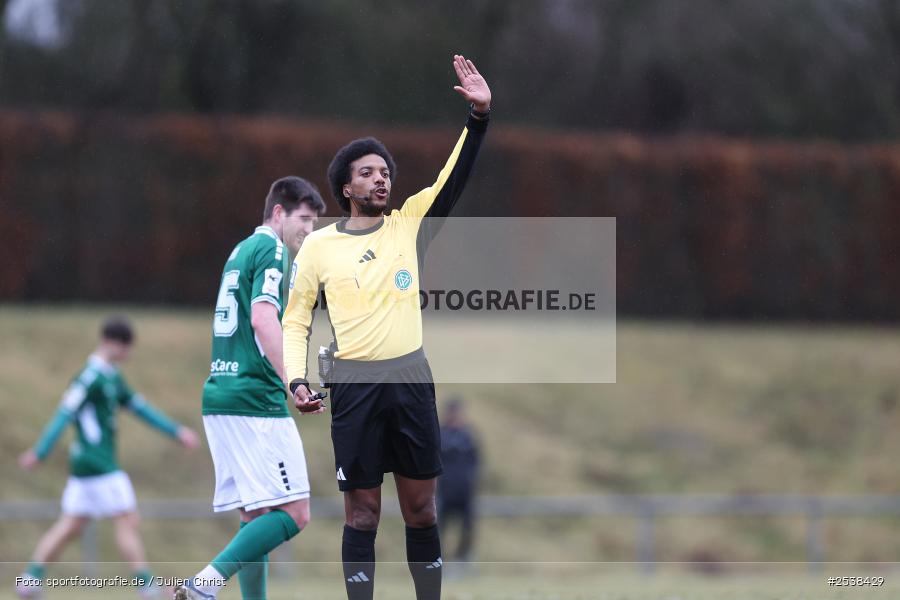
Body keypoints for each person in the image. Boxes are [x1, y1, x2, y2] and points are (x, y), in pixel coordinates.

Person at [283, 54, 491, 600]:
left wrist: (478, 119)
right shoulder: (319, 245)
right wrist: (296, 379)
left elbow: (452, 181)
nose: (382, 178)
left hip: (411, 380)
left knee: (421, 508)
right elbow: (296, 317)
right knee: (363, 513)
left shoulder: (408, 226)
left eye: (386, 172)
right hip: (352, 386)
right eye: (369, 172)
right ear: (346, 188)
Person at [173, 177, 325, 600]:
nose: (308, 231)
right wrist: (294, 380)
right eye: (305, 220)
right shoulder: (272, 249)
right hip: (253, 399)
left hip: (220, 393)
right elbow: (262, 318)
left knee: (256, 513)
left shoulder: (239, 251)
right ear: (279, 213)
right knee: (295, 512)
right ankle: (204, 585)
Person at [16, 316, 200, 599]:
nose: (129, 354)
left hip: (87, 465)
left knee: (71, 524)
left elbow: (141, 409)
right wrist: (40, 452)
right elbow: (64, 413)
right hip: (97, 461)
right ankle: (146, 586)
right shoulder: (90, 378)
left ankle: (30, 579)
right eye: (127, 347)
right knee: (126, 519)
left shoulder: (112, 377)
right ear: (113, 344)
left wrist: (176, 432)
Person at [437, 397, 480, 564]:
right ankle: (439, 560)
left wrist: (471, 481)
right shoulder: (440, 435)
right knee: (440, 527)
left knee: (467, 528)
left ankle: (463, 560)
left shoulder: (468, 436)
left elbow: (475, 461)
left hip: (465, 491)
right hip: (444, 491)